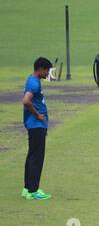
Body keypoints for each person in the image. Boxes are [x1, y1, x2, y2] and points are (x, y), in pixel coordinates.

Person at [22, 57, 53, 200]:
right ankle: (34, 191)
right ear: (40, 69)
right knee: (37, 158)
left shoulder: (32, 80)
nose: (48, 74)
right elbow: (26, 101)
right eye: (47, 71)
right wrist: (39, 115)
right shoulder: (34, 83)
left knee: (32, 156)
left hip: (34, 124)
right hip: (36, 125)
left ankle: (27, 189)